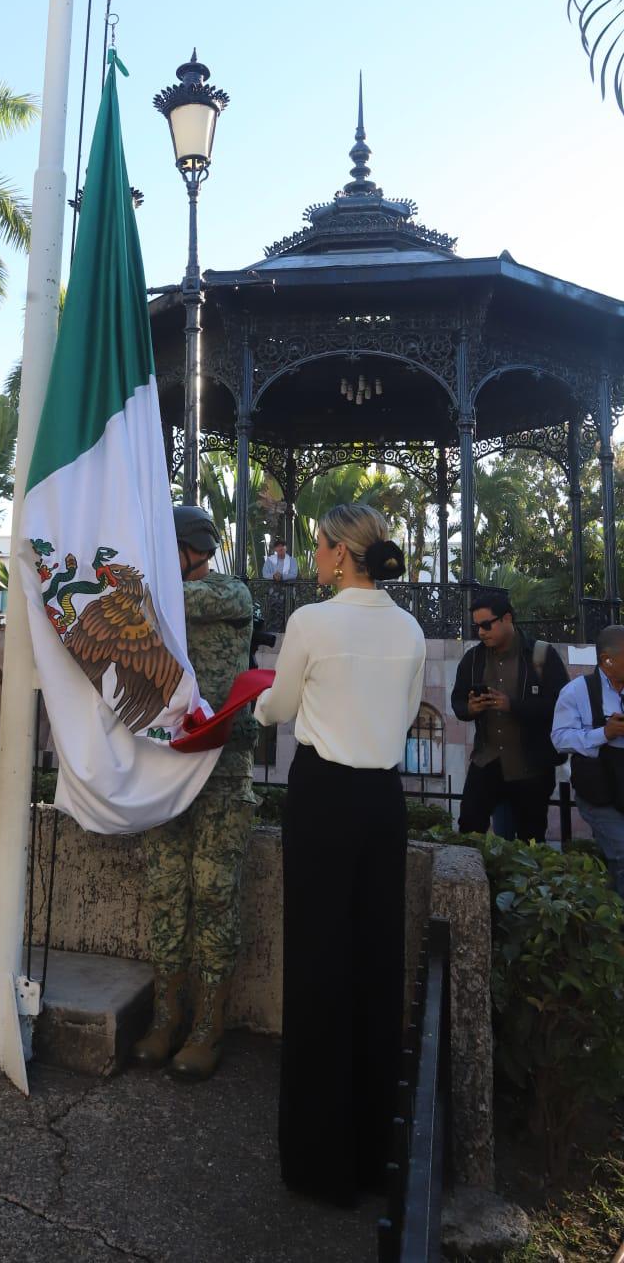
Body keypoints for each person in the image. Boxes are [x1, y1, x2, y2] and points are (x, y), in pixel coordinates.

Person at [254, 503, 425, 1205]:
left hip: (323, 800)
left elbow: (283, 706)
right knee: (375, 963)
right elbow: (408, 713)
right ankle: (370, 1153)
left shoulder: (311, 623)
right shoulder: (410, 628)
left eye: (316, 547)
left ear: (335, 553)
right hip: (384, 802)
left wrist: (258, 702)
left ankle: (317, 1159)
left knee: (319, 965)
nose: (313, 556)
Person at [131, 504, 257, 1082]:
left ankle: (208, 1026)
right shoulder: (156, 598)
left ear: (188, 551)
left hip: (221, 774)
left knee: (211, 894)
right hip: (165, 770)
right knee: (166, 893)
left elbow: (203, 603)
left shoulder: (229, 595)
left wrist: (142, 592)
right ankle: (167, 1016)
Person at [451, 589, 568, 843]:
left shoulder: (541, 655)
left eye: (485, 625)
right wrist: (471, 708)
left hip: (531, 766)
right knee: (469, 832)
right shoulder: (473, 659)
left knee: (531, 840)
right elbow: (458, 702)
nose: (481, 632)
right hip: (486, 761)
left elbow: (561, 707)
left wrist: (512, 706)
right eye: (476, 627)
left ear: (506, 619)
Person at [552, 625, 624, 898]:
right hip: (599, 791)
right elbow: (560, 739)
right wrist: (604, 733)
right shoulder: (577, 692)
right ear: (607, 659)